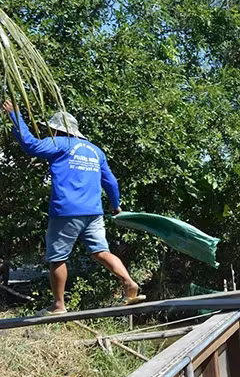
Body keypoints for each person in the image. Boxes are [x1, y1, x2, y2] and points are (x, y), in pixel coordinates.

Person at [2, 100, 145, 316]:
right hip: (94, 212)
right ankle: (129, 282)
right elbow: (112, 183)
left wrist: (15, 116)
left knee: (57, 258)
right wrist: (115, 206)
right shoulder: (96, 151)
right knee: (101, 252)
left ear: (58, 130)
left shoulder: (60, 143)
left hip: (66, 211)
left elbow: (30, 144)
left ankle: (59, 305)